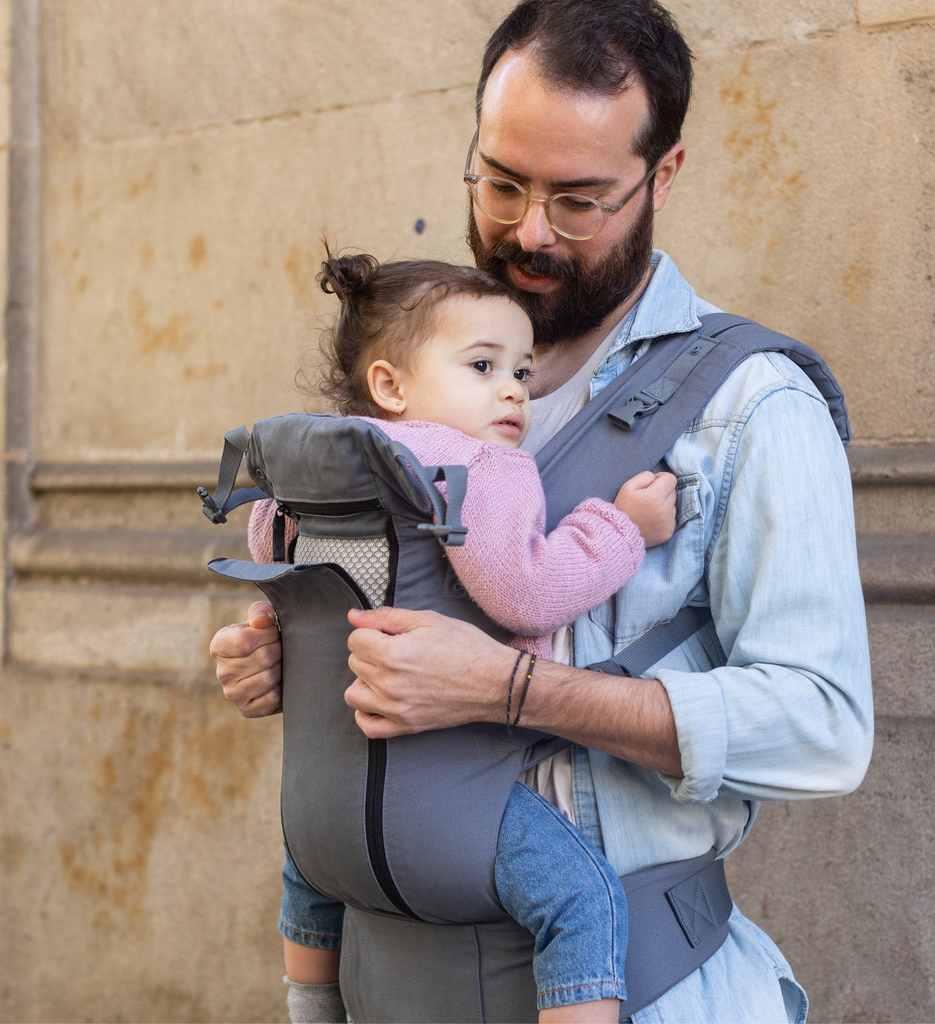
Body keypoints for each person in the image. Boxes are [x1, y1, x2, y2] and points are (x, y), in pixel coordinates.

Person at [211, 1, 873, 1021]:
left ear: (663, 175)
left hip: (645, 990)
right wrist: (295, 653)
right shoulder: (427, 375)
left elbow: (823, 727)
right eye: (502, 181)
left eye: (576, 199)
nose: (526, 230)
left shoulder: (751, 405)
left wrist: (513, 689)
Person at [246, 247, 679, 1023]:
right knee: (584, 900)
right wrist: (622, 527)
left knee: (307, 874)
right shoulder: (479, 466)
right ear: (391, 384)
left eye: (521, 370)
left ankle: (311, 1007)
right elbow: (529, 593)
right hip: (454, 804)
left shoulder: (308, 467)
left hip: (322, 808)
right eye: (483, 366)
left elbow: (268, 555)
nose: (512, 390)